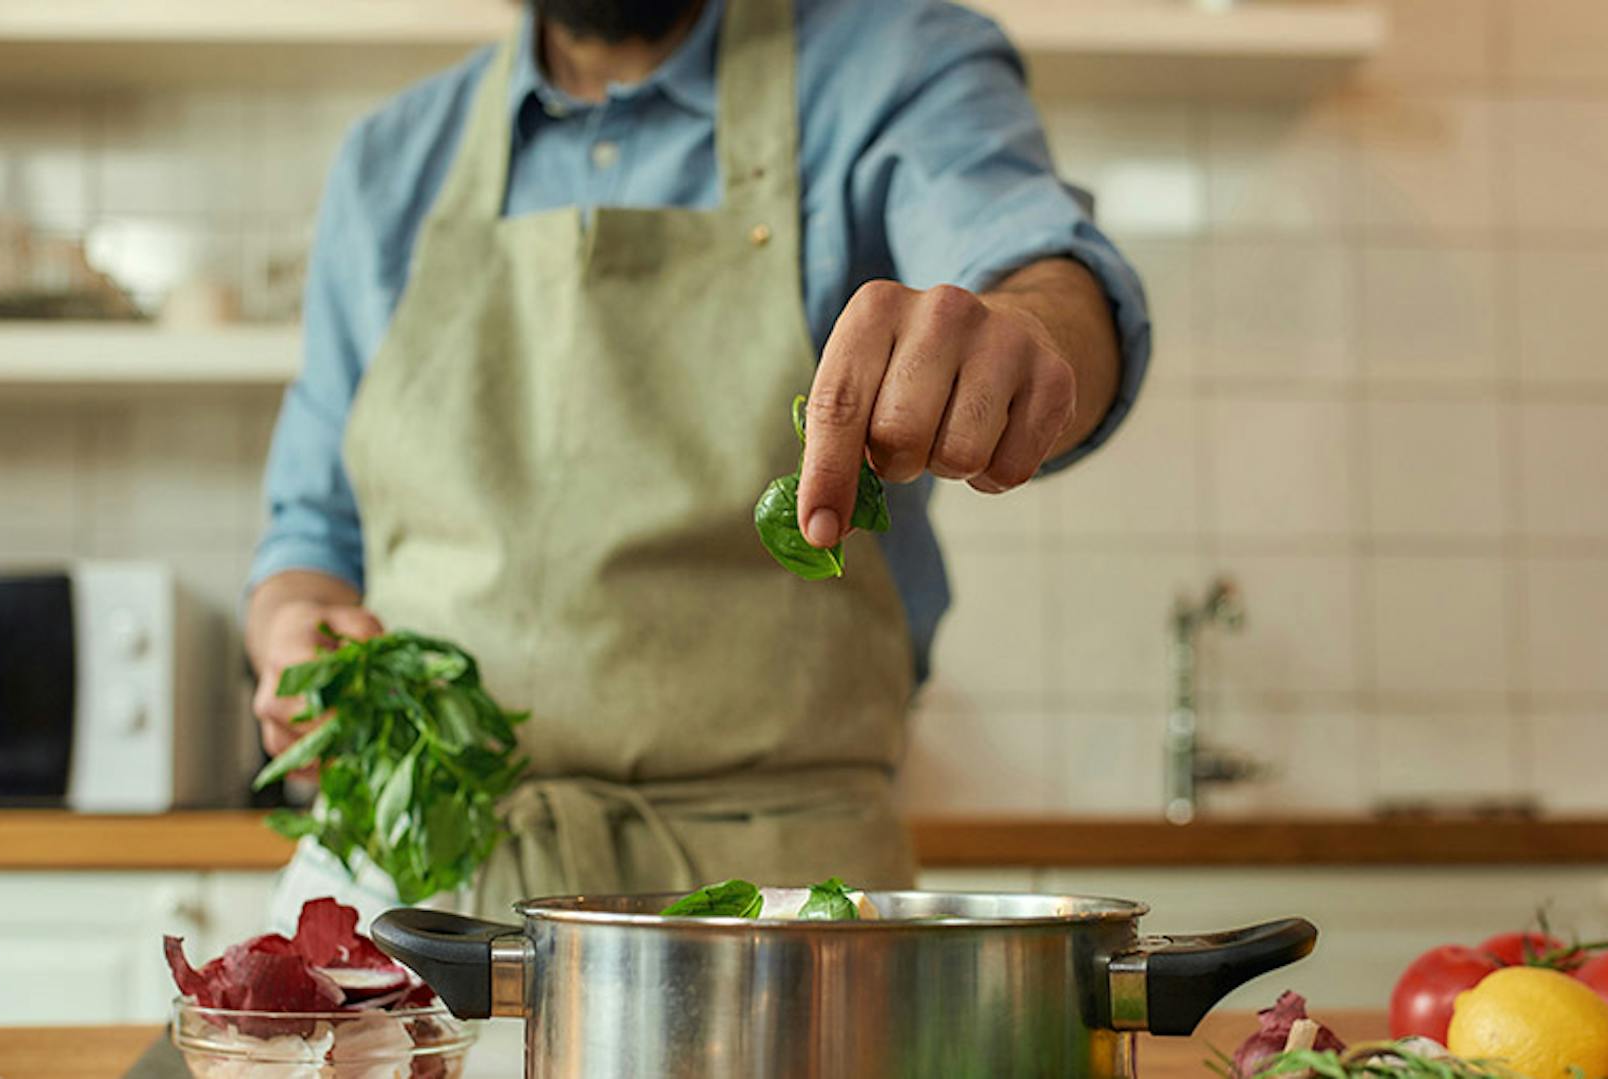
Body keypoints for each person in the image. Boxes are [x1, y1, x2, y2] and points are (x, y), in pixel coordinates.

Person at [248, 0, 1151, 925]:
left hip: (777, 917)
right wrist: (295, 632)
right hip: (412, 895)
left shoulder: (897, 66)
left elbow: (1039, 264)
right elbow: (311, 535)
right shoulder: (387, 160)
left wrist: (1030, 331)